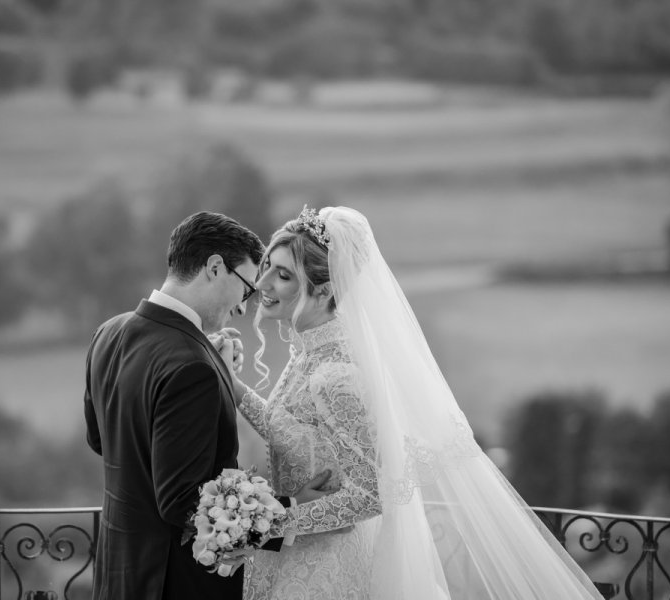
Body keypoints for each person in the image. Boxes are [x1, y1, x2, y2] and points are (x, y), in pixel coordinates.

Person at [227, 206, 605, 599]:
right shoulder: (308, 352)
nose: (263, 282)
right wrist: (232, 385)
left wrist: (277, 519)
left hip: (326, 569)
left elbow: (372, 494)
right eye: (267, 266)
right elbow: (286, 425)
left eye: (282, 274)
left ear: (322, 290)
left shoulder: (335, 375)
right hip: (291, 553)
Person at [83, 211, 328, 600]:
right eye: (246, 288)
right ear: (215, 267)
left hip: (117, 573)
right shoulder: (192, 366)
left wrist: (216, 374)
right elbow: (183, 502)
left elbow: (103, 440)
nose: (243, 308)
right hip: (174, 583)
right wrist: (290, 509)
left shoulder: (109, 333)